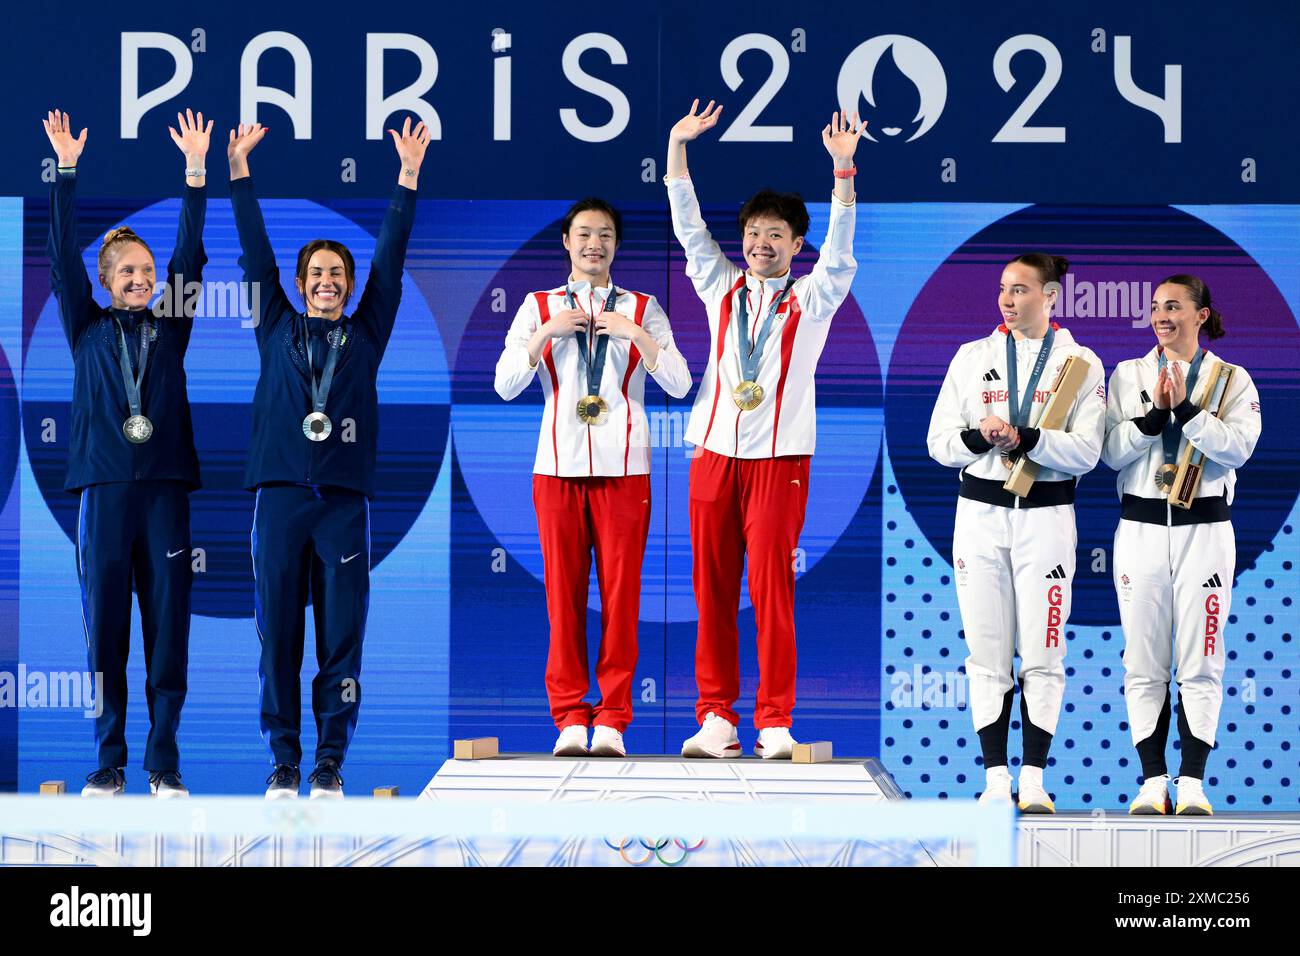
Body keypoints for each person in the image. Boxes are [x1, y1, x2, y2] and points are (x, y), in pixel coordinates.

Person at [227, 118, 428, 799]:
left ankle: (329, 764)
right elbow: (255, 255)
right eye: (316, 274)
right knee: (278, 639)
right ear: (300, 281)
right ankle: (284, 761)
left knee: (340, 641)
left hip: (342, 503)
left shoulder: (366, 332)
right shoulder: (275, 326)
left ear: (346, 285)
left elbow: (391, 262)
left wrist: (407, 178)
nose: (326, 283)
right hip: (280, 500)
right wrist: (239, 174)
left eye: (336, 275)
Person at [664, 101, 861, 759]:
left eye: (776, 234)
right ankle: (716, 718)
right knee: (712, 590)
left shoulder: (813, 298)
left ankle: (774, 720)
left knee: (770, 590)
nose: (761, 243)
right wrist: (677, 148)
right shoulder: (719, 287)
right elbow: (689, 229)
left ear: (795, 245)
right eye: (753, 232)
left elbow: (840, 253)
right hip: (713, 457)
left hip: (781, 462)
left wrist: (841, 172)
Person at [44, 108, 210, 798]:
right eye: (130, 271)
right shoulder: (84, 326)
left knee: (167, 633)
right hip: (104, 492)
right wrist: (66, 172)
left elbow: (190, 254)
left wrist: (195, 175)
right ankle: (108, 762)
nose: (144, 278)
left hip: (165, 492)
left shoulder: (173, 326)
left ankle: (163, 765)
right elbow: (59, 257)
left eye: (148, 270)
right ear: (108, 280)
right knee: (105, 635)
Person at [494, 198, 691, 758]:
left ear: (616, 245)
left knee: (622, 598)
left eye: (605, 234)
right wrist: (544, 335)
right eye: (584, 234)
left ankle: (612, 719)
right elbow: (505, 383)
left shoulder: (645, 307)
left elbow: (679, 383)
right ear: (566, 242)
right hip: (555, 470)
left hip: (625, 470)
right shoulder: (537, 306)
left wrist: (637, 335)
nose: (594, 244)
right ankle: (569, 718)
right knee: (563, 598)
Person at [926, 254, 1105, 813]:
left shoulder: (1080, 362)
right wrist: (980, 438)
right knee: (985, 653)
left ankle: (1034, 779)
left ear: (1050, 296)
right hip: (979, 516)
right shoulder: (971, 356)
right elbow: (937, 442)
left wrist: (1027, 438)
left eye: (1021, 290)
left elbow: (1087, 453)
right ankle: (995, 779)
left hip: (1047, 519)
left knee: (1044, 651)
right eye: (1003, 288)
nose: (1007, 299)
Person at [1102, 275, 1260, 816]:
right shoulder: (1128, 375)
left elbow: (1237, 450)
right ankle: (1152, 782)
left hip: (1206, 533)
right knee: (1143, 662)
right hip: (1141, 531)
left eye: (1174, 306)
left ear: (1201, 315)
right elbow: (1110, 453)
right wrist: (1152, 419)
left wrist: (1189, 411)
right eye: (1154, 307)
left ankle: (1192, 782)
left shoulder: (1232, 380)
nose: (1161, 315)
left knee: (1202, 659)